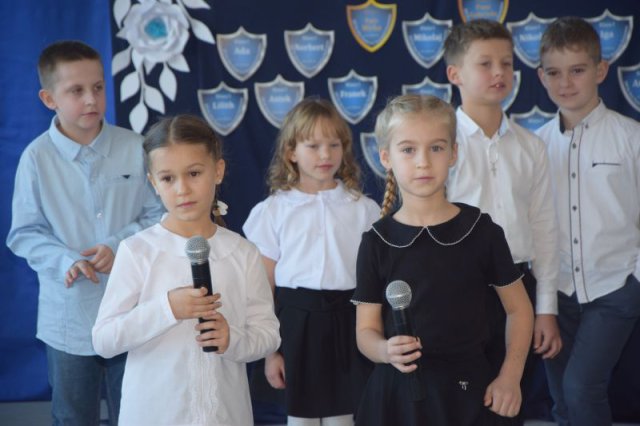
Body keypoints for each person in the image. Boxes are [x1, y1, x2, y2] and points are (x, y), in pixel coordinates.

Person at [5, 40, 164, 425]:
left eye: (98, 87)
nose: (91, 99)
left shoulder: (136, 147)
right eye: (76, 90)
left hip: (133, 310)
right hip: (69, 318)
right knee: (73, 417)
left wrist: (117, 245)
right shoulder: (36, 158)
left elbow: (160, 214)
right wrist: (67, 260)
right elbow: (24, 233)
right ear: (49, 99)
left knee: (137, 413)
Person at [352, 94, 534, 426]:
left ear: (453, 153)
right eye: (408, 149)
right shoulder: (376, 242)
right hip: (398, 400)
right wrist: (384, 351)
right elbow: (365, 330)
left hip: (470, 394)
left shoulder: (481, 231)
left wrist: (510, 375)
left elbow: (519, 310)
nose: (423, 162)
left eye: (435, 148)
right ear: (385, 157)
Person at [91, 114, 281, 426]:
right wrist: (167, 308)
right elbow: (104, 340)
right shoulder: (138, 251)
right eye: (168, 178)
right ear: (153, 182)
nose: (182, 189)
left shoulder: (243, 252)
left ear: (217, 171)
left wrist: (231, 338)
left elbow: (268, 335)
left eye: (194, 173)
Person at [443, 19, 562, 422]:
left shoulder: (531, 147)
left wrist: (545, 308)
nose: (499, 73)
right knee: (458, 404)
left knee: (508, 404)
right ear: (455, 74)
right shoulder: (440, 145)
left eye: (507, 63)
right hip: (456, 288)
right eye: (485, 63)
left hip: (519, 290)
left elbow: (544, 231)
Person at [243, 97, 379, 426]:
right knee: (300, 419)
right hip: (295, 326)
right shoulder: (274, 210)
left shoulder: (363, 209)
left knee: (342, 418)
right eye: (313, 145)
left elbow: (375, 281)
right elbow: (263, 288)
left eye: (334, 145)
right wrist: (271, 352)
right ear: (291, 151)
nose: (325, 155)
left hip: (348, 323)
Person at [535, 17, 640, 426]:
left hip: (615, 288)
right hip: (556, 294)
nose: (565, 83)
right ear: (541, 77)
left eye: (577, 70)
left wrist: (635, 280)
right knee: (563, 399)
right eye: (554, 73)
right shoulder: (535, 146)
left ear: (601, 70)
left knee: (582, 388)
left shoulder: (631, 139)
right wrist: (542, 301)